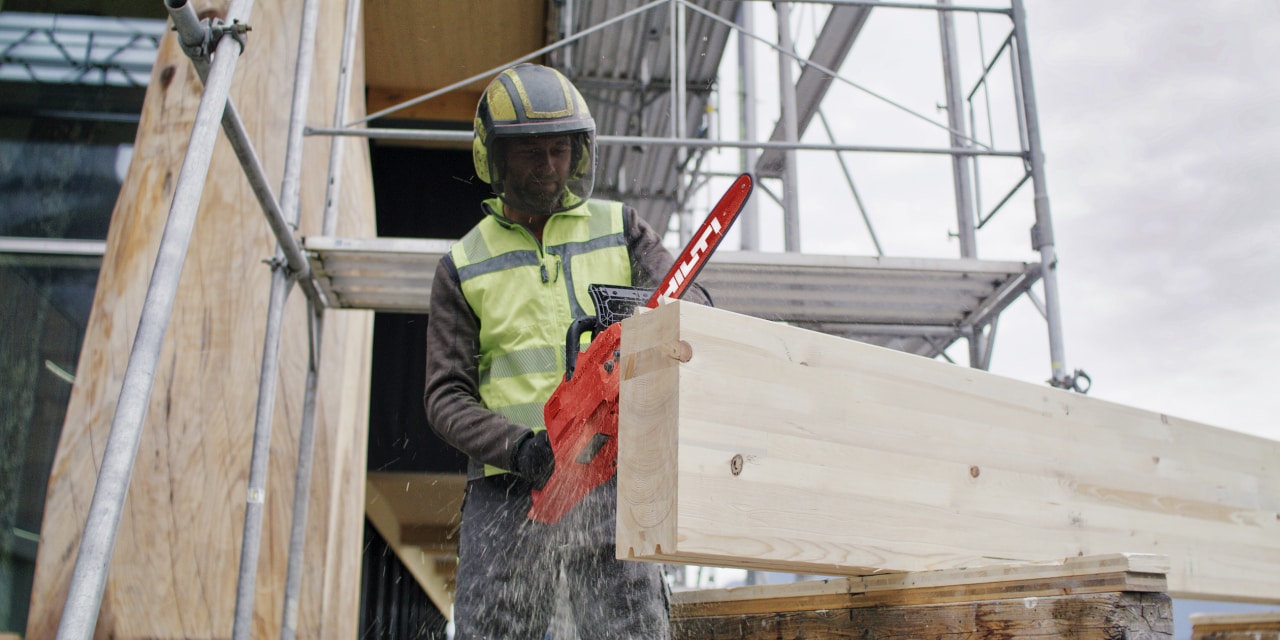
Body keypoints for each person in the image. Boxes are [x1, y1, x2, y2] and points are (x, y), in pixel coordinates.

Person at [424, 63, 706, 639]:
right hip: (507, 491)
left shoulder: (620, 228)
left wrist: (654, 318)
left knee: (628, 628)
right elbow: (445, 397)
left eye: (559, 150)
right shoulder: (463, 264)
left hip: (611, 481)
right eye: (531, 153)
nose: (548, 166)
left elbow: (689, 296)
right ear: (495, 159)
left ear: (578, 152)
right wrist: (520, 448)